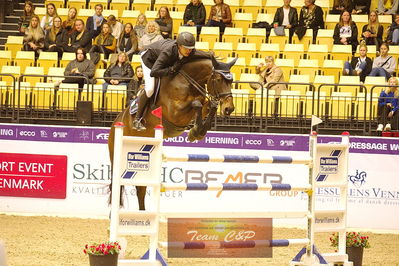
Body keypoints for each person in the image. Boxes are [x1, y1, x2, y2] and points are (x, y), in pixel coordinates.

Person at [133, 31, 209, 131]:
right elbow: (154, 72)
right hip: (149, 59)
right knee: (150, 89)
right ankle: (137, 119)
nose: (189, 51)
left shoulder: (189, 50)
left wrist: (211, 56)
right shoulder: (168, 52)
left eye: (191, 49)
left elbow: (202, 54)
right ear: (179, 46)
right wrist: (171, 70)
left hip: (163, 61)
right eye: (186, 48)